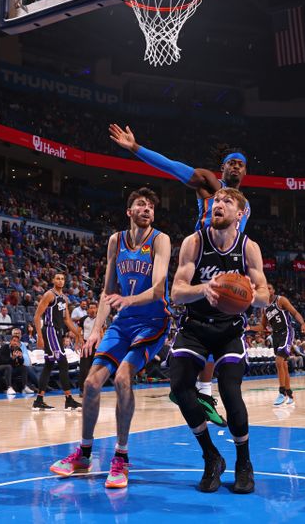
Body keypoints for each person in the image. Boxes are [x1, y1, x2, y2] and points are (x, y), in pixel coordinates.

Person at [110, 123, 251, 426]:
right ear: (222, 168)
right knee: (202, 323)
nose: (236, 167)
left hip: (227, 263)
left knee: (225, 324)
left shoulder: (243, 205)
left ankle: (202, 390)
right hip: (200, 259)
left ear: (245, 173)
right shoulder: (208, 183)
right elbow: (174, 168)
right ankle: (194, 385)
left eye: (241, 164)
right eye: (231, 163)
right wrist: (136, 148)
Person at [49, 188, 171, 489]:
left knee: (122, 379)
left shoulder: (160, 240)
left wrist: (128, 301)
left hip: (153, 321)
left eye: (151, 206)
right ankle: (85, 453)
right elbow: (108, 291)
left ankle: (121, 457)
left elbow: (158, 289)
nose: (147, 209)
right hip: (124, 322)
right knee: (91, 383)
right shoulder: (116, 240)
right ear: (129, 211)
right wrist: (96, 329)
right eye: (141, 204)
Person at [168, 188, 269, 494]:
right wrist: (205, 289)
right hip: (195, 326)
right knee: (179, 388)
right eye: (216, 201)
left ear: (240, 214)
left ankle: (243, 462)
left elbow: (264, 295)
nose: (219, 204)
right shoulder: (194, 242)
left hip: (229, 331)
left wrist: (251, 296)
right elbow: (176, 292)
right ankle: (211, 457)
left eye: (227, 201)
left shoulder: (249, 248)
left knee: (230, 391)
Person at [32, 272, 82, 411]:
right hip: (50, 331)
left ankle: (39, 400)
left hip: (58, 333)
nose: (60, 281)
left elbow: (67, 320)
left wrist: (78, 334)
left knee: (48, 365)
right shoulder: (49, 295)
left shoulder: (64, 298)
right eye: (57, 278)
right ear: (53, 280)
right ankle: (69, 400)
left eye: (62, 279)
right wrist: (40, 336)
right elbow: (37, 316)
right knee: (63, 363)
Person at [252, 292, 305, 407]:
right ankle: (290, 395)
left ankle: (281, 392)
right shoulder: (265, 309)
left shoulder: (281, 300)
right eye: (265, 288)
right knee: (283, 366)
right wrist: (249, 327)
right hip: (276, 335)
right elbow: (262, 327)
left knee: (278, 361)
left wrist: (302, 323)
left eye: (269, 288)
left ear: (272, 291)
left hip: (286, 331)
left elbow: (294, 312)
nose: (267, 290)